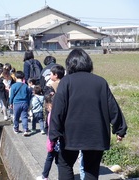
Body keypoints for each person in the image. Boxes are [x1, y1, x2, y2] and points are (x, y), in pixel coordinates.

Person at [49, 48, 127, 180]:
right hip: (96, 133)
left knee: (65, 164)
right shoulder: (100, 82)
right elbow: (112, 107)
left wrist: (54, 134)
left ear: (70, 64)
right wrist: (120, 129)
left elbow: (57, 110)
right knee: (91, 168)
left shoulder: (66, 82)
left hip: (70, 134)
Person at [37, 93, 58, 180]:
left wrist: (50, 142)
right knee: (60, 161)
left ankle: (45, 176)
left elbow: (50, 130)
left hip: (53, 142)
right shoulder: (58, 113)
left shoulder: (51, 115)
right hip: (58, 142)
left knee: (49, 159)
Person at [9, 71, 32, 136]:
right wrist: (27, 103)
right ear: (23, 78)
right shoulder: (25, 86)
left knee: (16, 117)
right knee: (24, 117)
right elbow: (28, 96)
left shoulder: (13, 86)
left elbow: (12, 96)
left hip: (16, 103)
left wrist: (10, 103)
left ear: (15, 77)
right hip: (24, 103)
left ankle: (16, 129)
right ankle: (25, 129)